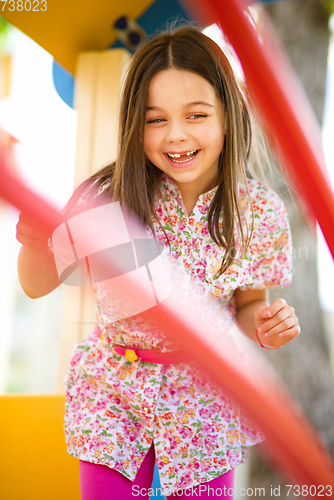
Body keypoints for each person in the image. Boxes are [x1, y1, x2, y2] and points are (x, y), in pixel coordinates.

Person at [16, 25, 300, 500]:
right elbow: (37, 282)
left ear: (228, 116)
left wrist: (264, 324)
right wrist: (31, 243)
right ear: (134, 124)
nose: (177, 135)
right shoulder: (107, 199)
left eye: (196, 115)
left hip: (205, 396)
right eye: (155, 120)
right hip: (114, 389)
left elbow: (249, 303)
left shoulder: (258, 212)